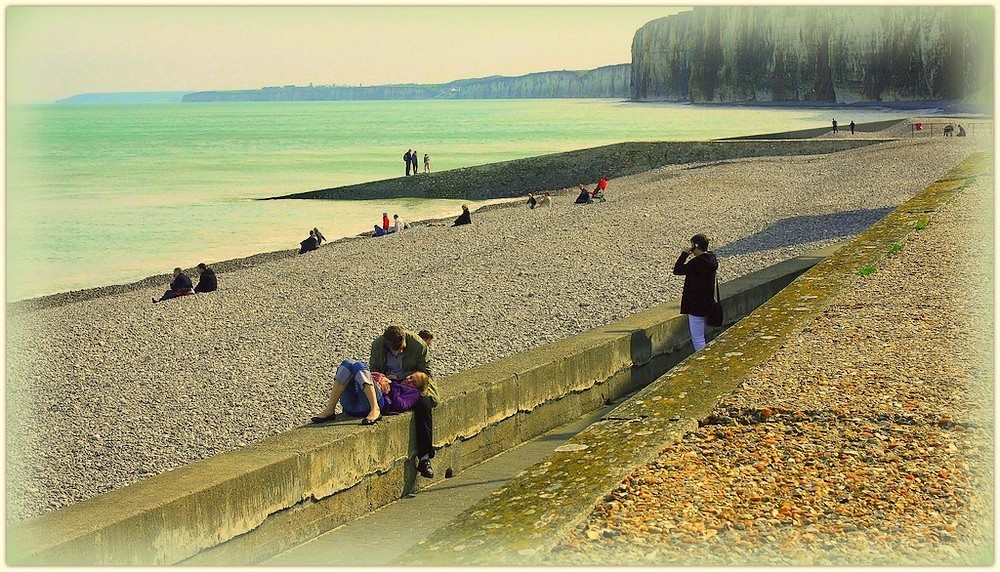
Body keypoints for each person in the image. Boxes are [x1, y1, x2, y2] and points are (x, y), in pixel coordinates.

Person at [370, 326, 438, 478]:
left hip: (411, 383)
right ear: (387, 345)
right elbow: (373, 371)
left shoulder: (418, 345)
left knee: (424, 406)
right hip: (388, 383)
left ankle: (425, 458)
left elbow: (425, 372)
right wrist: (385, 379)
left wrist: (407, 379)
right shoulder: (377, 346)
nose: (401, 352)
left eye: (403, 349)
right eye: (397, 350)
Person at [672, 233, 719, 352]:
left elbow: (677, 270)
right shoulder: (711, 259)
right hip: (708, 302)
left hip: (696, 304)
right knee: (702, 335)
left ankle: (703, 362)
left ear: (696, 246)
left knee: (698, 338)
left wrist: (684, 254)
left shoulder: (697, 263)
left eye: (692, 245)